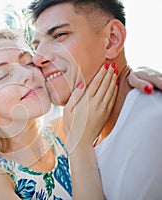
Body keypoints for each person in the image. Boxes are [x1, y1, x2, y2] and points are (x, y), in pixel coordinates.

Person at [0, 21, 120, 200]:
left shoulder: (67, 129)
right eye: (4, 75)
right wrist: (81, 146)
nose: (26, 75)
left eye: (28, 63)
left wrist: (134, 79)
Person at [27, 0, 162, 199]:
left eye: (59, 35)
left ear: (112, 39)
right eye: (36, 47)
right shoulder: (77, 131)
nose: (37, 59)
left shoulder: (152, 125)